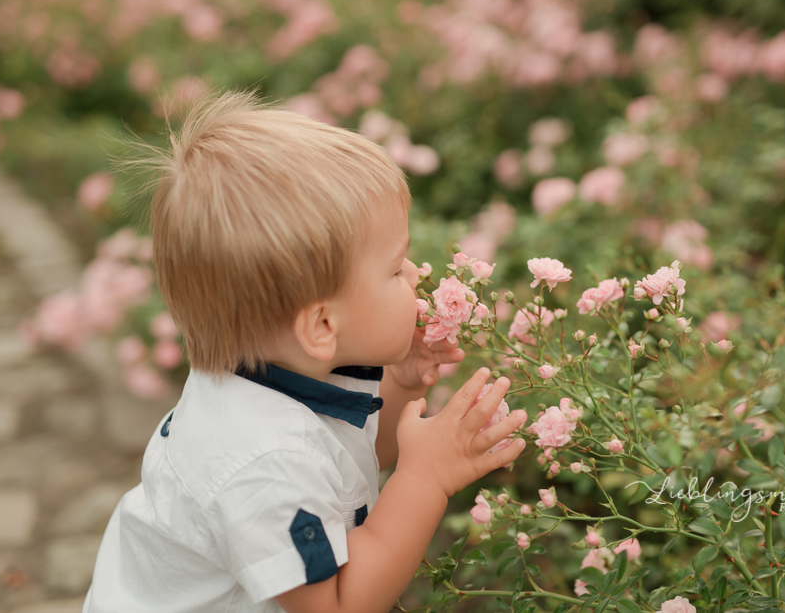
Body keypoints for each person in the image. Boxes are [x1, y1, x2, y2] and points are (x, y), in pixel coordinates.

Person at [83, 89, 528, 613]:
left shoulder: (273, 372)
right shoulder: (263, 461)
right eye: (394, 268)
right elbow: (339, 603)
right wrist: (425, 478)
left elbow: (341, 469)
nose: (414, 274)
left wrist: (403, 381)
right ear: (320, 324)